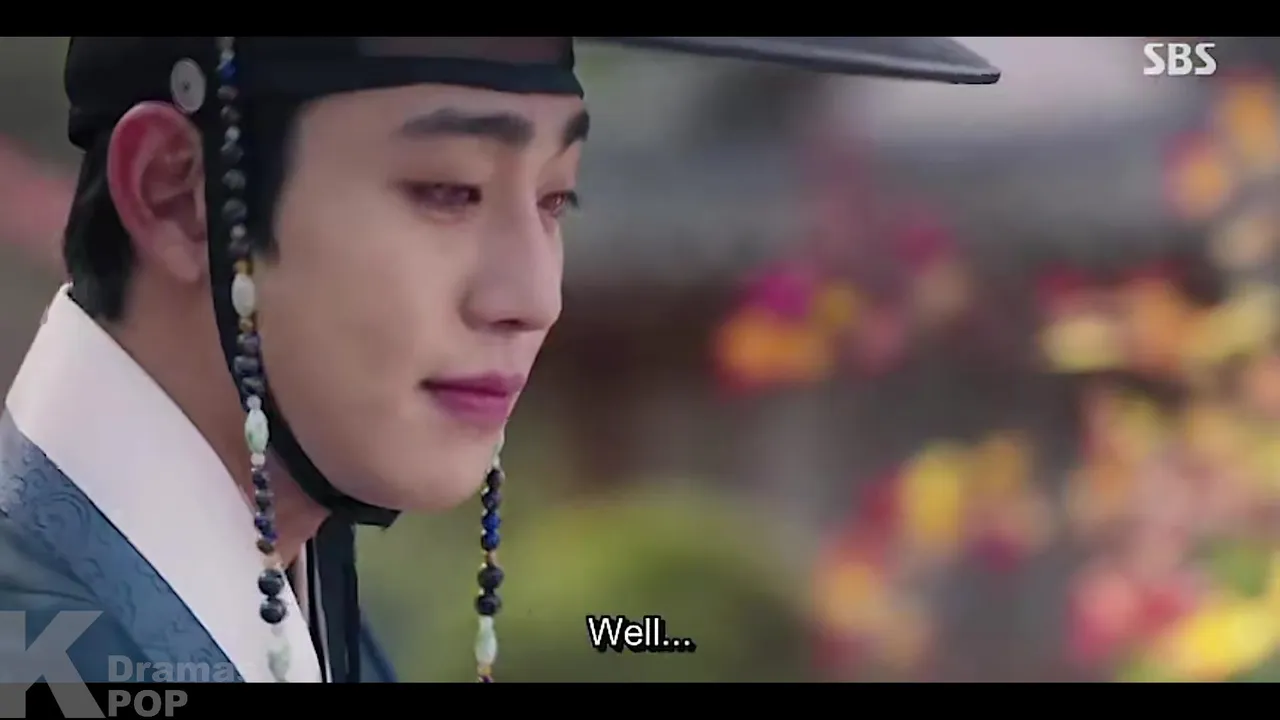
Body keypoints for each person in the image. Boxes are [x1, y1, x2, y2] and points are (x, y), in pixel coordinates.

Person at [0, 37, 998, 685]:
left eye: (556, 198)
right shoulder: (39, 645)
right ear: (178, 196)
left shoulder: (306, 593)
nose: (532, 297)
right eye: (447, 191)